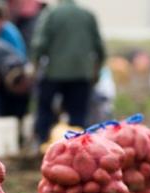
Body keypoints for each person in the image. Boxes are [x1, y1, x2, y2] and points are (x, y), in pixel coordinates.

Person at [31, 0, 106, 143]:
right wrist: (96, 70)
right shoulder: (87, 15)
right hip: (82, 73)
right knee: (78, 115)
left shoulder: (52, 13)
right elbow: (99, 48)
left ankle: (43, 144)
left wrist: (35, 67)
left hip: (54, 73)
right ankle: (79, 147)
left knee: (45, 111)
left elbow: (40, 44)